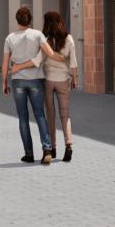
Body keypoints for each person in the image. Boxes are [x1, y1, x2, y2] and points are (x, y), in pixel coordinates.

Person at [1, 5, 66, 165]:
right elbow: (51, 54)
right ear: (30, 20)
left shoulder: (9, 38)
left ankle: (29, 154)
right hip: (36, 80)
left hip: (18, 81)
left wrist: (4, 82)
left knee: (23, 118)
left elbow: (5, 63)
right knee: (40, 115)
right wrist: (65, 58)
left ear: (17, 21)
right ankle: (47, 149)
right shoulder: (37, 35)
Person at [12, 10, 77, 162]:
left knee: (50, 114)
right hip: (63, 80)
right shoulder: (69, 39)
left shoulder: (45, 40)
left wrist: (18, 67)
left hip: (47, 81)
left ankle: (52, 148)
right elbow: (73, 62)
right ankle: (68, 145)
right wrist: (75, 78)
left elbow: (37, 61)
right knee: (65, 114)